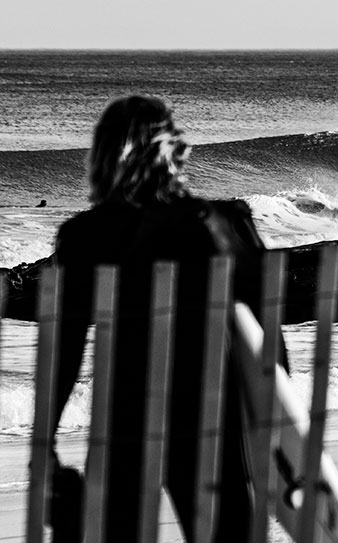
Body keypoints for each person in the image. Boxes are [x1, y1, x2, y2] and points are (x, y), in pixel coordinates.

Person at [51, 96, 283, 543]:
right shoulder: (229, 223)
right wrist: (275, 426)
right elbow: (267, 333)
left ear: (103, 153)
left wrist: (45, 444)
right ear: (174, 148)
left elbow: (65, 350)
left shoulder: (85, 235)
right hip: (215, 417)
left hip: (127, 418)